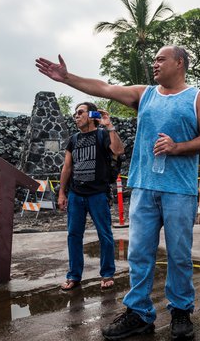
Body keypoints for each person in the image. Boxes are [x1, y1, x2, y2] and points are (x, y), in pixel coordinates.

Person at [36, 45, 200, 341]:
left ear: (180, 63)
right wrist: (67, 78)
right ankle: (139, 313)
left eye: (161, 59)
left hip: (179, 190)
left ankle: (181, 311)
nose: (155, 64)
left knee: (180, 255)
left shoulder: (198, 98)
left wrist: (177, 147)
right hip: (144, 188)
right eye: (154, 59)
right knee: (139, 253)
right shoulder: (145, 93)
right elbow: (105, 88)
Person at [58, 102, 125, 291]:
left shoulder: (102, 135)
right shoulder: (73, 139)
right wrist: (62, 193)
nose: (76, 116)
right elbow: (67, 167)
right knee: (73, 235)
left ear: (91, 115)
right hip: (76, 195)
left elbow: (118, 150)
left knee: (105, 234)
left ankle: (107, 274)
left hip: (98, 194)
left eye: (80, 112)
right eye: (75, 114)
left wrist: (108, 125)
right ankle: (74, 276)